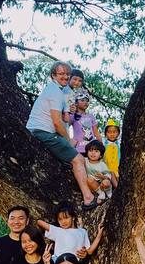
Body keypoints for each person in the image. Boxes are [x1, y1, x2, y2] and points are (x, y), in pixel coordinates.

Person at [25, 61, 96, 206]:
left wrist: (69, 110)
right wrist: (68, 140)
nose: (65, 76)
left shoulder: (57, 91)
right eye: (61, 74)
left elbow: (64, 119)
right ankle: (89, 198)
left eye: (67, 74)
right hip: (43, 131)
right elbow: (57, 123)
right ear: (53, 75)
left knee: (73, 160)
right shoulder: (55, 92)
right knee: (78, 160)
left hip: (43, 130)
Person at [83, 139, 116, 203]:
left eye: (96, 151)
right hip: (94, 185)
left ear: (101, 155)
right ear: (87, 152)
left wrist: (103, 177)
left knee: (106, 182)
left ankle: (108, 193)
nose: (93, 153)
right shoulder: (85, 161)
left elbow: (108, 175)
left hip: (103, 183)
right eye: (90, 150)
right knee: (89, 180)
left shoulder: (102, 164)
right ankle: (101, 193)